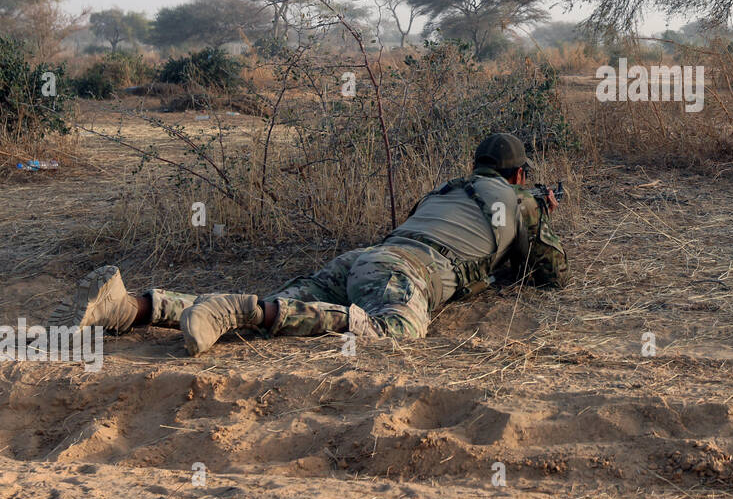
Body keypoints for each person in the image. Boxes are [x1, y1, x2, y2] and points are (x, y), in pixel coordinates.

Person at [52, 133, 568, 356]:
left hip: (363, 260)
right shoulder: (516, 201)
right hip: (405, 274)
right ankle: (242, 311)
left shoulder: (445, 190)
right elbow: (547, 273)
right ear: (519, 173)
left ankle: (130, 307)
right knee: (398, 333)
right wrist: (539, 208)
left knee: (288, 305)